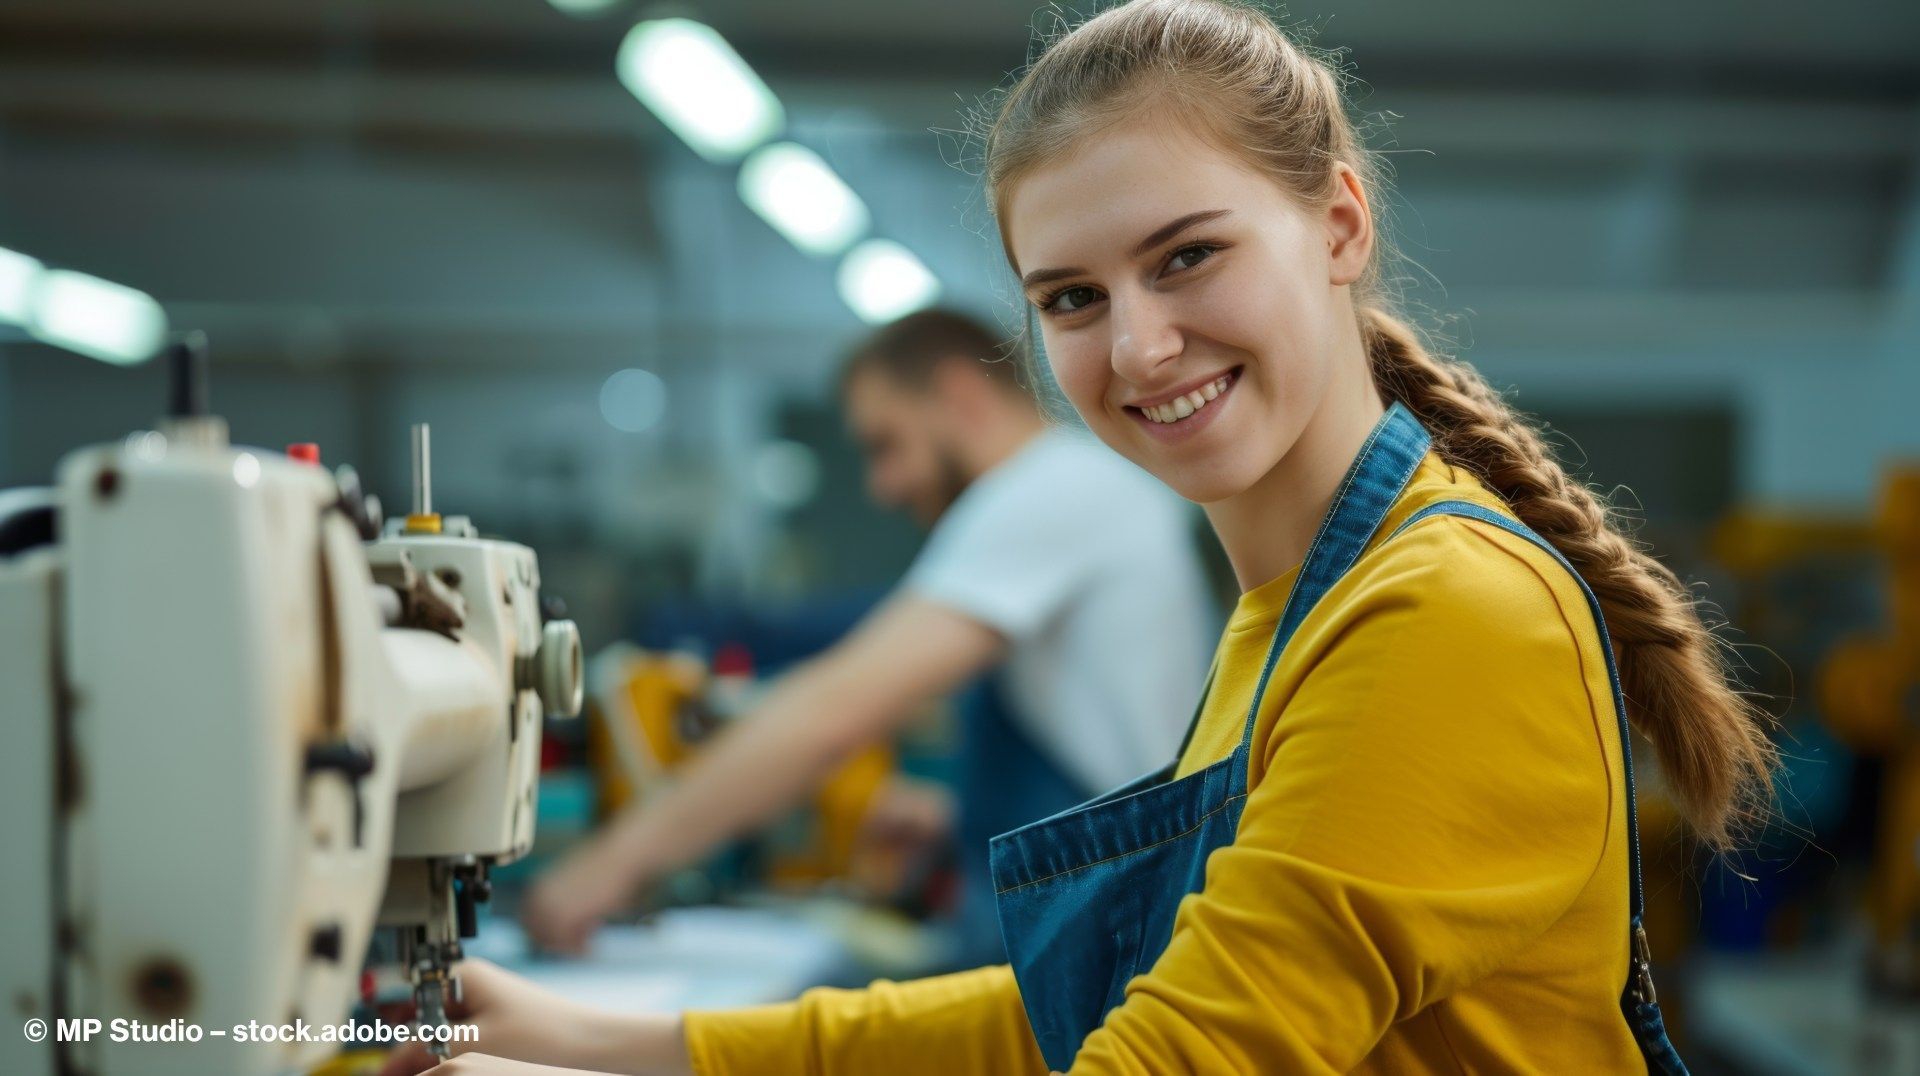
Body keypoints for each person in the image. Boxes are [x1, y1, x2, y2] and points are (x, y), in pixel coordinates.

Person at [386, 2, 1777, 1072]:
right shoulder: (1295, 610)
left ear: (1339, 224)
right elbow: (1085, 1007)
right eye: (1069, 298)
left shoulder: (1440, 612)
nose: (1139, 343)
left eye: (1188, 256)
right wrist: (609, 1041)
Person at [520, 308, 1215, 964]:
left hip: (1104, 934)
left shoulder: (1049, 493)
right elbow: (1113, 749)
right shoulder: (1082, 489)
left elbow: (833, 711)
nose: (883, 486)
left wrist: (609, 864)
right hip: (1101, 909)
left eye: (887, 444)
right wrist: (958, 819)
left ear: (959, 396)